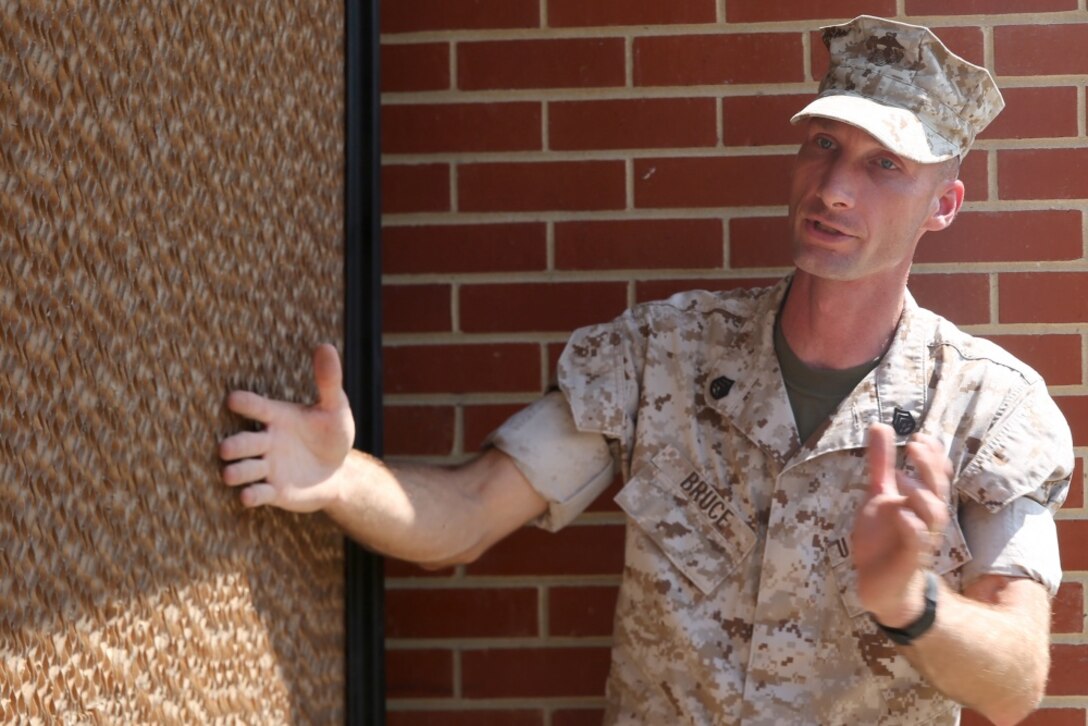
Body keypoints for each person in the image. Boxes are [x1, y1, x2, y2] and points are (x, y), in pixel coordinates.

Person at [219, 15, 1072, 726]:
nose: (836, 187)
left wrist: (911, 603)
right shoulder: (660, 353)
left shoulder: (989, 410)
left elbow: (1017, 676)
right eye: (822, 144)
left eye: (884, 163)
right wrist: (339, 478)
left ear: (945, 207)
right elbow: (468, 513)